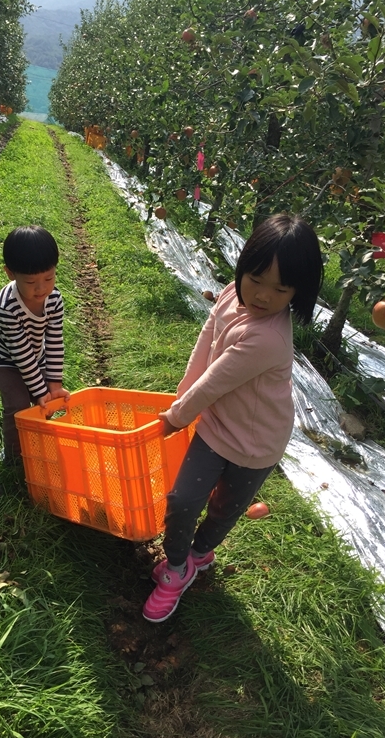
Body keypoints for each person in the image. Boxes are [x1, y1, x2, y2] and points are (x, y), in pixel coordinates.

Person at [143, 213, 324, 623]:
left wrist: (176, 416)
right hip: (217, 427)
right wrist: (182, 395)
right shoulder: (231, 294)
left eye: (280, 289)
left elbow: (217, 382)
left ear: (297, 292)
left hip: (256, 446)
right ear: (243, 266)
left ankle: (199, 553)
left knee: (224, 509)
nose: (262, 295)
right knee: (184, 498)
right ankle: (176, 569)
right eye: (256, 279)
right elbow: (207, 340)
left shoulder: (268, 339)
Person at [0, 225, 70, 465]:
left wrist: (53, 386)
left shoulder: (54, 300)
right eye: (31, 281)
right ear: (10, 273)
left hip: (34, 352)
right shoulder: (6, 307)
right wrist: (41, 392)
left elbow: (54, 341)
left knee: (44, 400)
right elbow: (21, 356)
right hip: (3, 358)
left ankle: (39, 442)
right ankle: (13, 456)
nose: (41, 288)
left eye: (49, 278)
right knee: (19, 404)